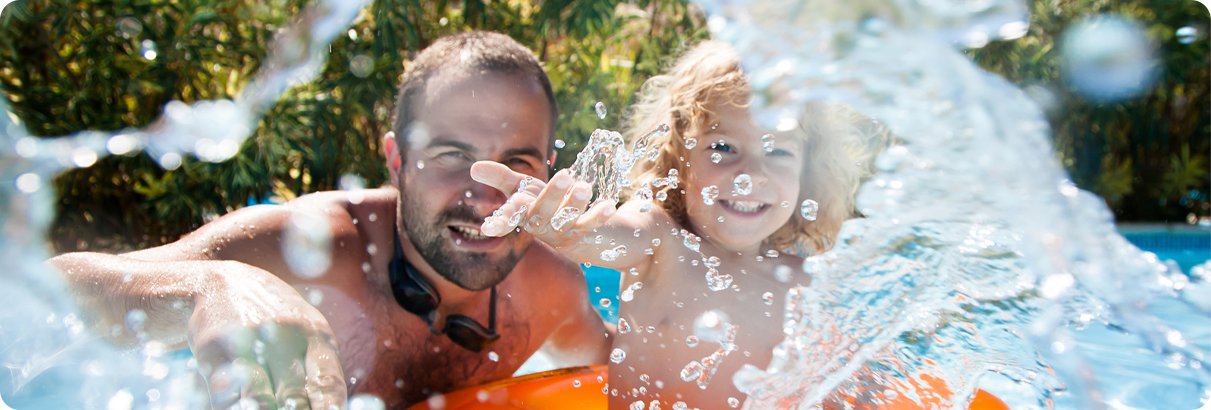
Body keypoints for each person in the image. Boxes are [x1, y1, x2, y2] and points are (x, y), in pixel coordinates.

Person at [48, 31, 611, 410]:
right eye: (451, 156)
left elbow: (640, 373)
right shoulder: (306, 250)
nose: (486, 196)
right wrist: (211, 286)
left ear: (548, 167)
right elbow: (43, 291)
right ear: (397, 161)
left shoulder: (550, 287)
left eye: (516, 162)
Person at [470, 40, 869, 409]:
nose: (752, 174)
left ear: (808, 171)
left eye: (778, 151)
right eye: (723, 147)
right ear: (679, 157)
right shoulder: (662, 240)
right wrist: (571, 229)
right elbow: (612, 236)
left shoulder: (805, 285)